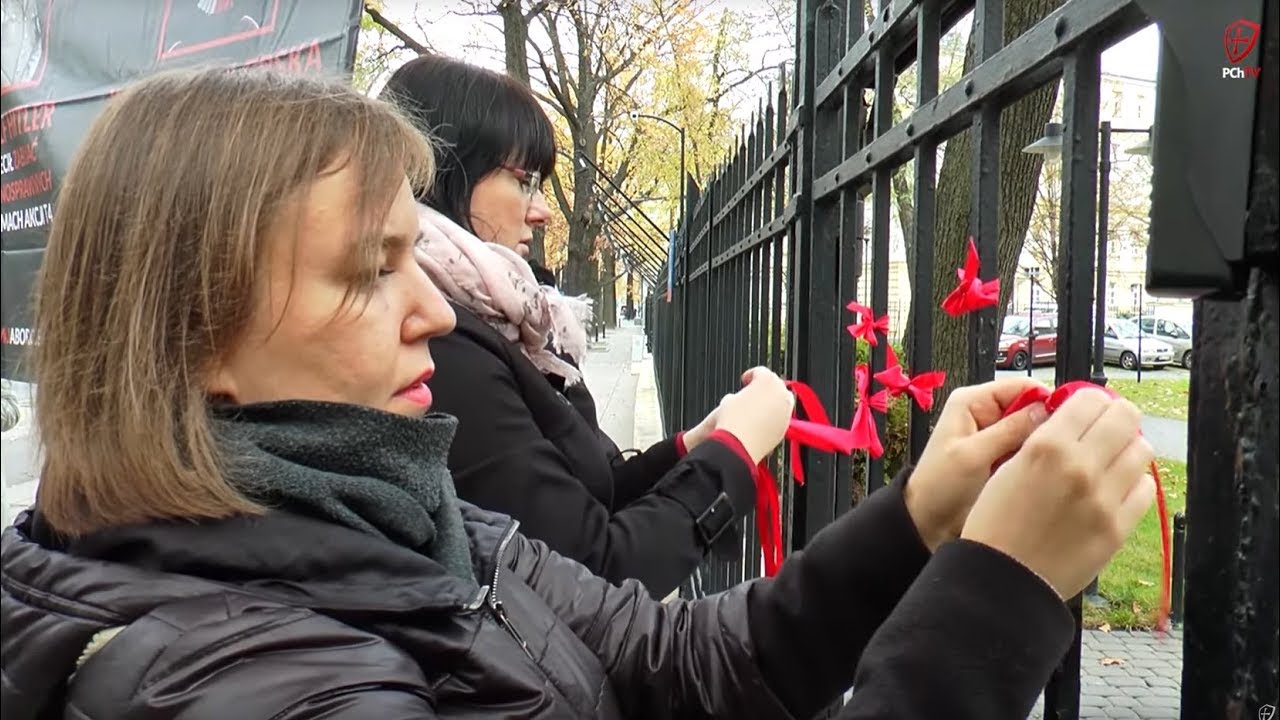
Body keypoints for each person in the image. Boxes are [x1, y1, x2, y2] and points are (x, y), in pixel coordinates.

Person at [0, 67, 1157, 720]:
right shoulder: (258, 685)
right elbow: (611, 546)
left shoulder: (393, 517)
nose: (433, 312)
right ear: (192, 334)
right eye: (367, 273)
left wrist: (917, 518)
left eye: (417, 258)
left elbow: (680, 656)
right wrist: (992, 601)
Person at [381, 55, 770, 597]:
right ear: (447, 172)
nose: (541, 211)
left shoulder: (510, 321)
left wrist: (694, 445)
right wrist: (731, 457)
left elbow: (590, 493)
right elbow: (591, 572)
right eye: (523, 181)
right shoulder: (445, 344)